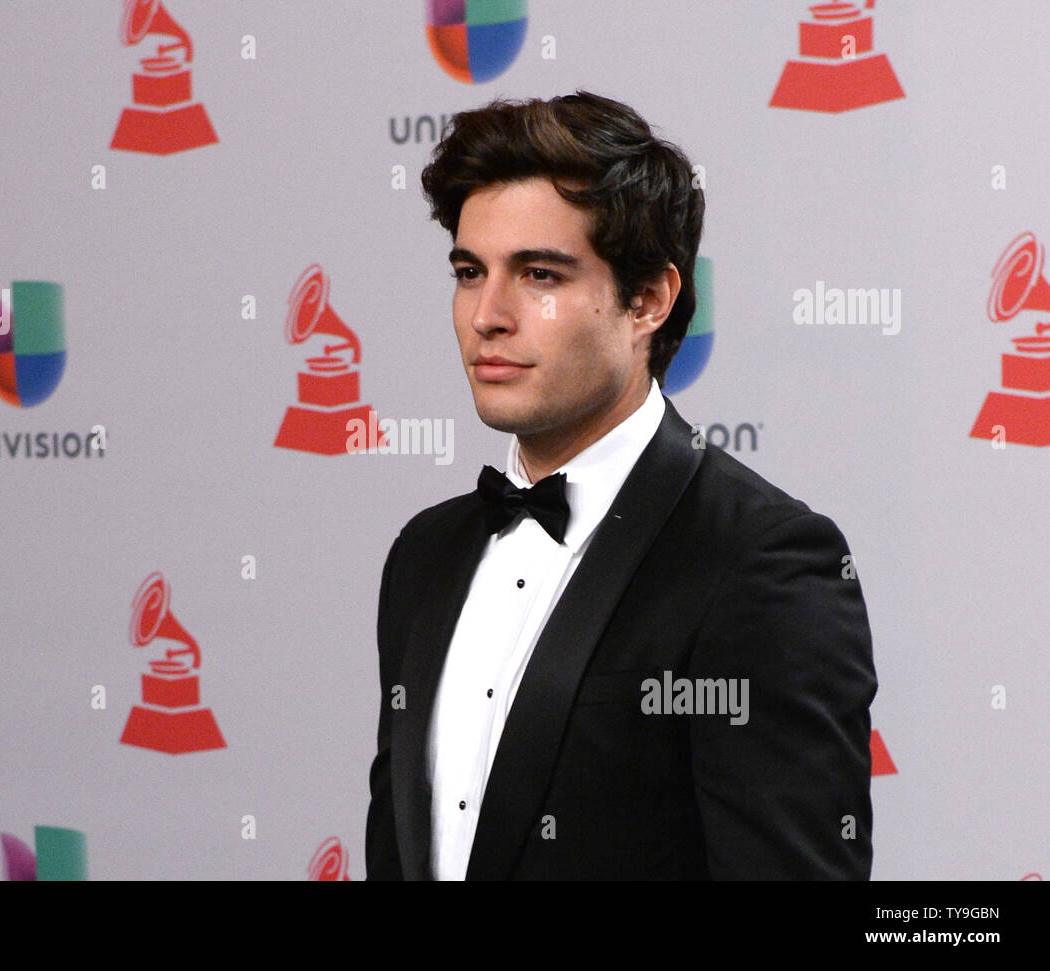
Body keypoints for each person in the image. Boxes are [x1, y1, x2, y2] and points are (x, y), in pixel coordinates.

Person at [364, 91, 877, 880]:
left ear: (648, 299)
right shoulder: (424, 554)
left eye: (539, 274)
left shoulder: (761, 564)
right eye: (470, 272)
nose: (488, 315)